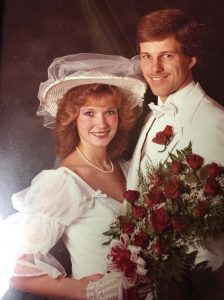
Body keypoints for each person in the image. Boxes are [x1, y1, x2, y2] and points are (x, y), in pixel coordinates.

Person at [0, 53, 146, 300]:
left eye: (109, 112)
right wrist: (83, 289)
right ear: (73, 118)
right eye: (89, 113)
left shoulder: (125, 168)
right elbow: (8, 259)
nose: (101, 123)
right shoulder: (64, 181)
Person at [127, 8, 224, 300]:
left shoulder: (215, 123)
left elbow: (212, 235)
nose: (154, 69)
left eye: (167, 55)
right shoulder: (154, 114)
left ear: (191, 58)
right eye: (146, 56)